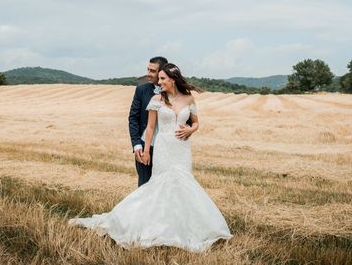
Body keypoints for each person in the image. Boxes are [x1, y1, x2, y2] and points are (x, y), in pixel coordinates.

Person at [69, 63, 232, 252]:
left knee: (184, 185)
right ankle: (154, 226)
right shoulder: (157, 100)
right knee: (160, 185)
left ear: (173, 79)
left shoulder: (188, 99)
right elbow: (150, 129)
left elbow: (196, 123)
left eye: (163, 78)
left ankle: (183, 227)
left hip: (182, 148)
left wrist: (190, 129)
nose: (159, 81)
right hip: (163, 148)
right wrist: (146, 151)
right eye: (159, 78)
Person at [128, 56, 168, 187]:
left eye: (152, 71)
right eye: (148, 70)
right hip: (145, 147)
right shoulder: (141, 90)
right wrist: (137, 145)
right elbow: (133, 118)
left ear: (162, 72)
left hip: (167, 149)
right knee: (144, 187)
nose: (148, 74)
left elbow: (187, 121)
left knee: (165, 187)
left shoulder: (175, 94)